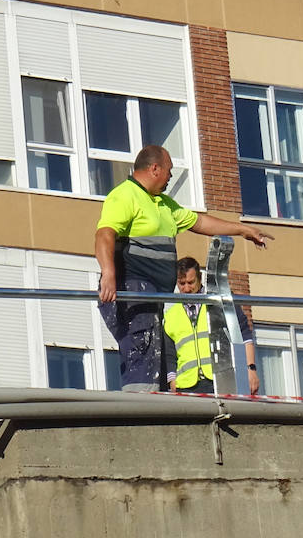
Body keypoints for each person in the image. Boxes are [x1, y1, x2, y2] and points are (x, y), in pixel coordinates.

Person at [95, 145, 272, 391]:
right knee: (142, 349)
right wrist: (109, 274)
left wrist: (242, 230)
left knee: (151, 350)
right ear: (154, 168)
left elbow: (200, 222)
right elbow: (105, 234)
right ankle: (141, 412)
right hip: (132, 287)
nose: (170, 177)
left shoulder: (163, 204)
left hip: (153, 294)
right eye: (169, 171)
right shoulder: (125, 195)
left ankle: (151, 405)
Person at [164, 256, 260, 395]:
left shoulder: (218, 302)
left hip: (219, 380)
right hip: (185, 386)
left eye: (191, 282)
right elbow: (169, 354)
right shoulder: (171, 314)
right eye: (182, 283)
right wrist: (172, 381)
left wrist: (250, 368)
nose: (186, 288)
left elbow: (244, 333)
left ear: (200, 277)